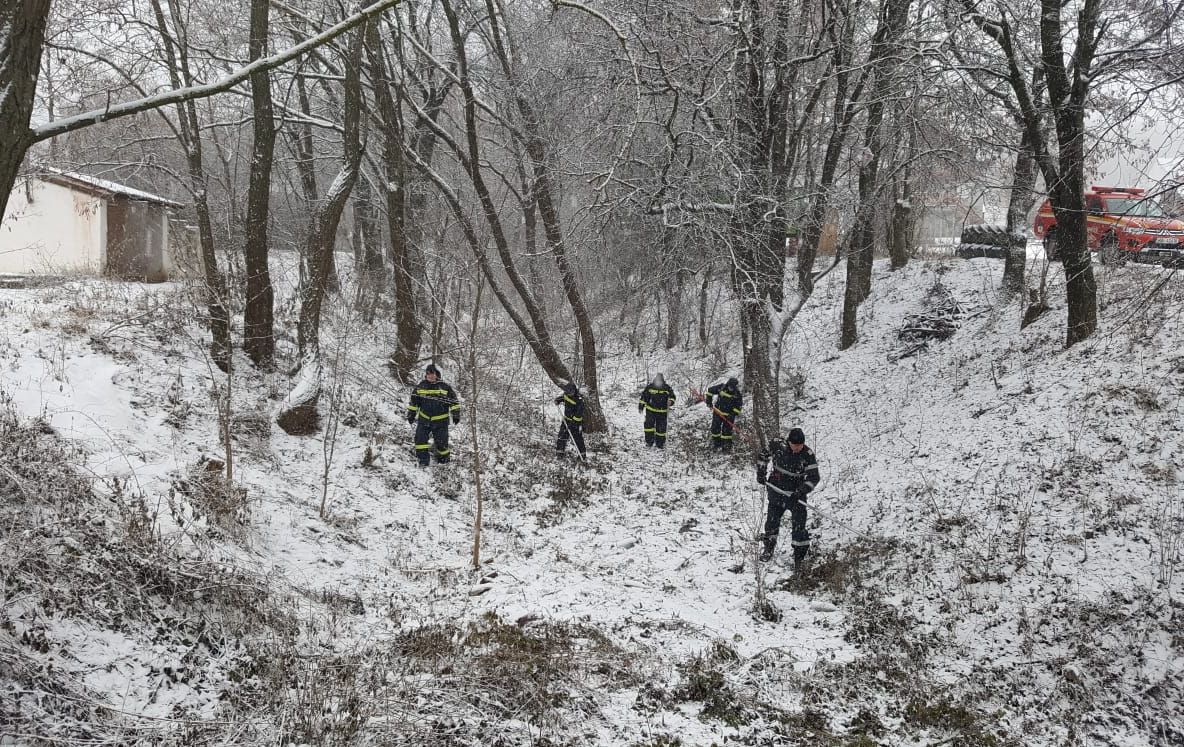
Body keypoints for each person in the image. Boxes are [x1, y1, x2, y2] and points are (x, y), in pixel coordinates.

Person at [755, 427, 819, 566]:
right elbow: (763, 456)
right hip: (776, 490)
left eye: (800, 445)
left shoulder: (807, 454)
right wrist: (761, 473)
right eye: (794, 445)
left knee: (799, 525)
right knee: (772, 521)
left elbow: (814, 478)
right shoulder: (778, 446)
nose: (797, 448)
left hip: (796, 494)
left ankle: (799, 557)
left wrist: (800, 492)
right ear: (788, 442)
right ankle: (768, 548)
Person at [406, 363, 461, 467]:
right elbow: (414, 402)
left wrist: (456, 414)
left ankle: (444, 463)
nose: (430, 376)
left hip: (441, 422)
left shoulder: (445, 387)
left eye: (432, 374)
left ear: (437, 374)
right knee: (420, 440)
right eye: (428, 374)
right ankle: (423, 461)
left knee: (442, 444)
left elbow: (454, 402)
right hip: (424, 420)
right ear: (426, 375)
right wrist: (411, 414)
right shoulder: (420, 386)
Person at [638, 373, 676, 448]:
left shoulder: (667, 388)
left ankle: (660, 443)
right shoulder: (650, 387)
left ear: (662, 380)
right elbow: (644, 397)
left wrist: (671, 401)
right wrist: (641, 407)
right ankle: (649, 441)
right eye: (657, 380)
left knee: (661, 429)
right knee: (648, 427)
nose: (658, 382)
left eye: (660, 381)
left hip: (662, 412)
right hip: (650, 411)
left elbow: (673, 397)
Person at [704, 377, 742, 451]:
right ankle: (717, 443)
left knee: (727, 431)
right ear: (727, 384)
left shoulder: (737, 394)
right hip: (718, 412)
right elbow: (710, 391)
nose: (730, 388)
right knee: (715, 429)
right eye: (729, 386)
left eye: (732, 387)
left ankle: (726, 446)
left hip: (729, 415)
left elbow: (738, 407)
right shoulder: (721, 387)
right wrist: (709, 402)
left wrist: (732, 414)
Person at [554, 381, 587, 460]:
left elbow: (578, 415)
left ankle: (582, 455)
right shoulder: (566, 395)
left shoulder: (579, 400)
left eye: (570, 392)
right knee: (562, 436)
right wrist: (558, 400)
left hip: (576, 422)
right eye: (568, 392)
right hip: (566, 420)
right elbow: (563, 398)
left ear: (574, 391)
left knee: (577, 438)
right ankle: (559, 453)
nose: (569, 394)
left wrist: (573, 424)